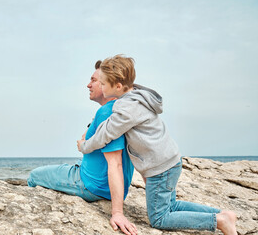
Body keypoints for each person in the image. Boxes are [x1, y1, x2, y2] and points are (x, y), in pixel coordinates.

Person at [77, 55, 238, 235]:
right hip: (170, 161)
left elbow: (106, 134)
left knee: (159, 217)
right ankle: (223, 215)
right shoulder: (138, 98)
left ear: (118, 86)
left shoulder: (126, 109)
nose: (101, 86)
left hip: (159, 168)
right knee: (171, 205)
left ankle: (218, 220)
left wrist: (84, 146)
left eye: (104, 83)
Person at [27, 61, 137, 235]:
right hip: (100, 180)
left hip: (90, 184)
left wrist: (117, 213)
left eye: (94, 80)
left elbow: (114, 163)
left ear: (105, 84)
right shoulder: (122, 110)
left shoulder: (107, 113)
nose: (88, 84)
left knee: (34, 176)